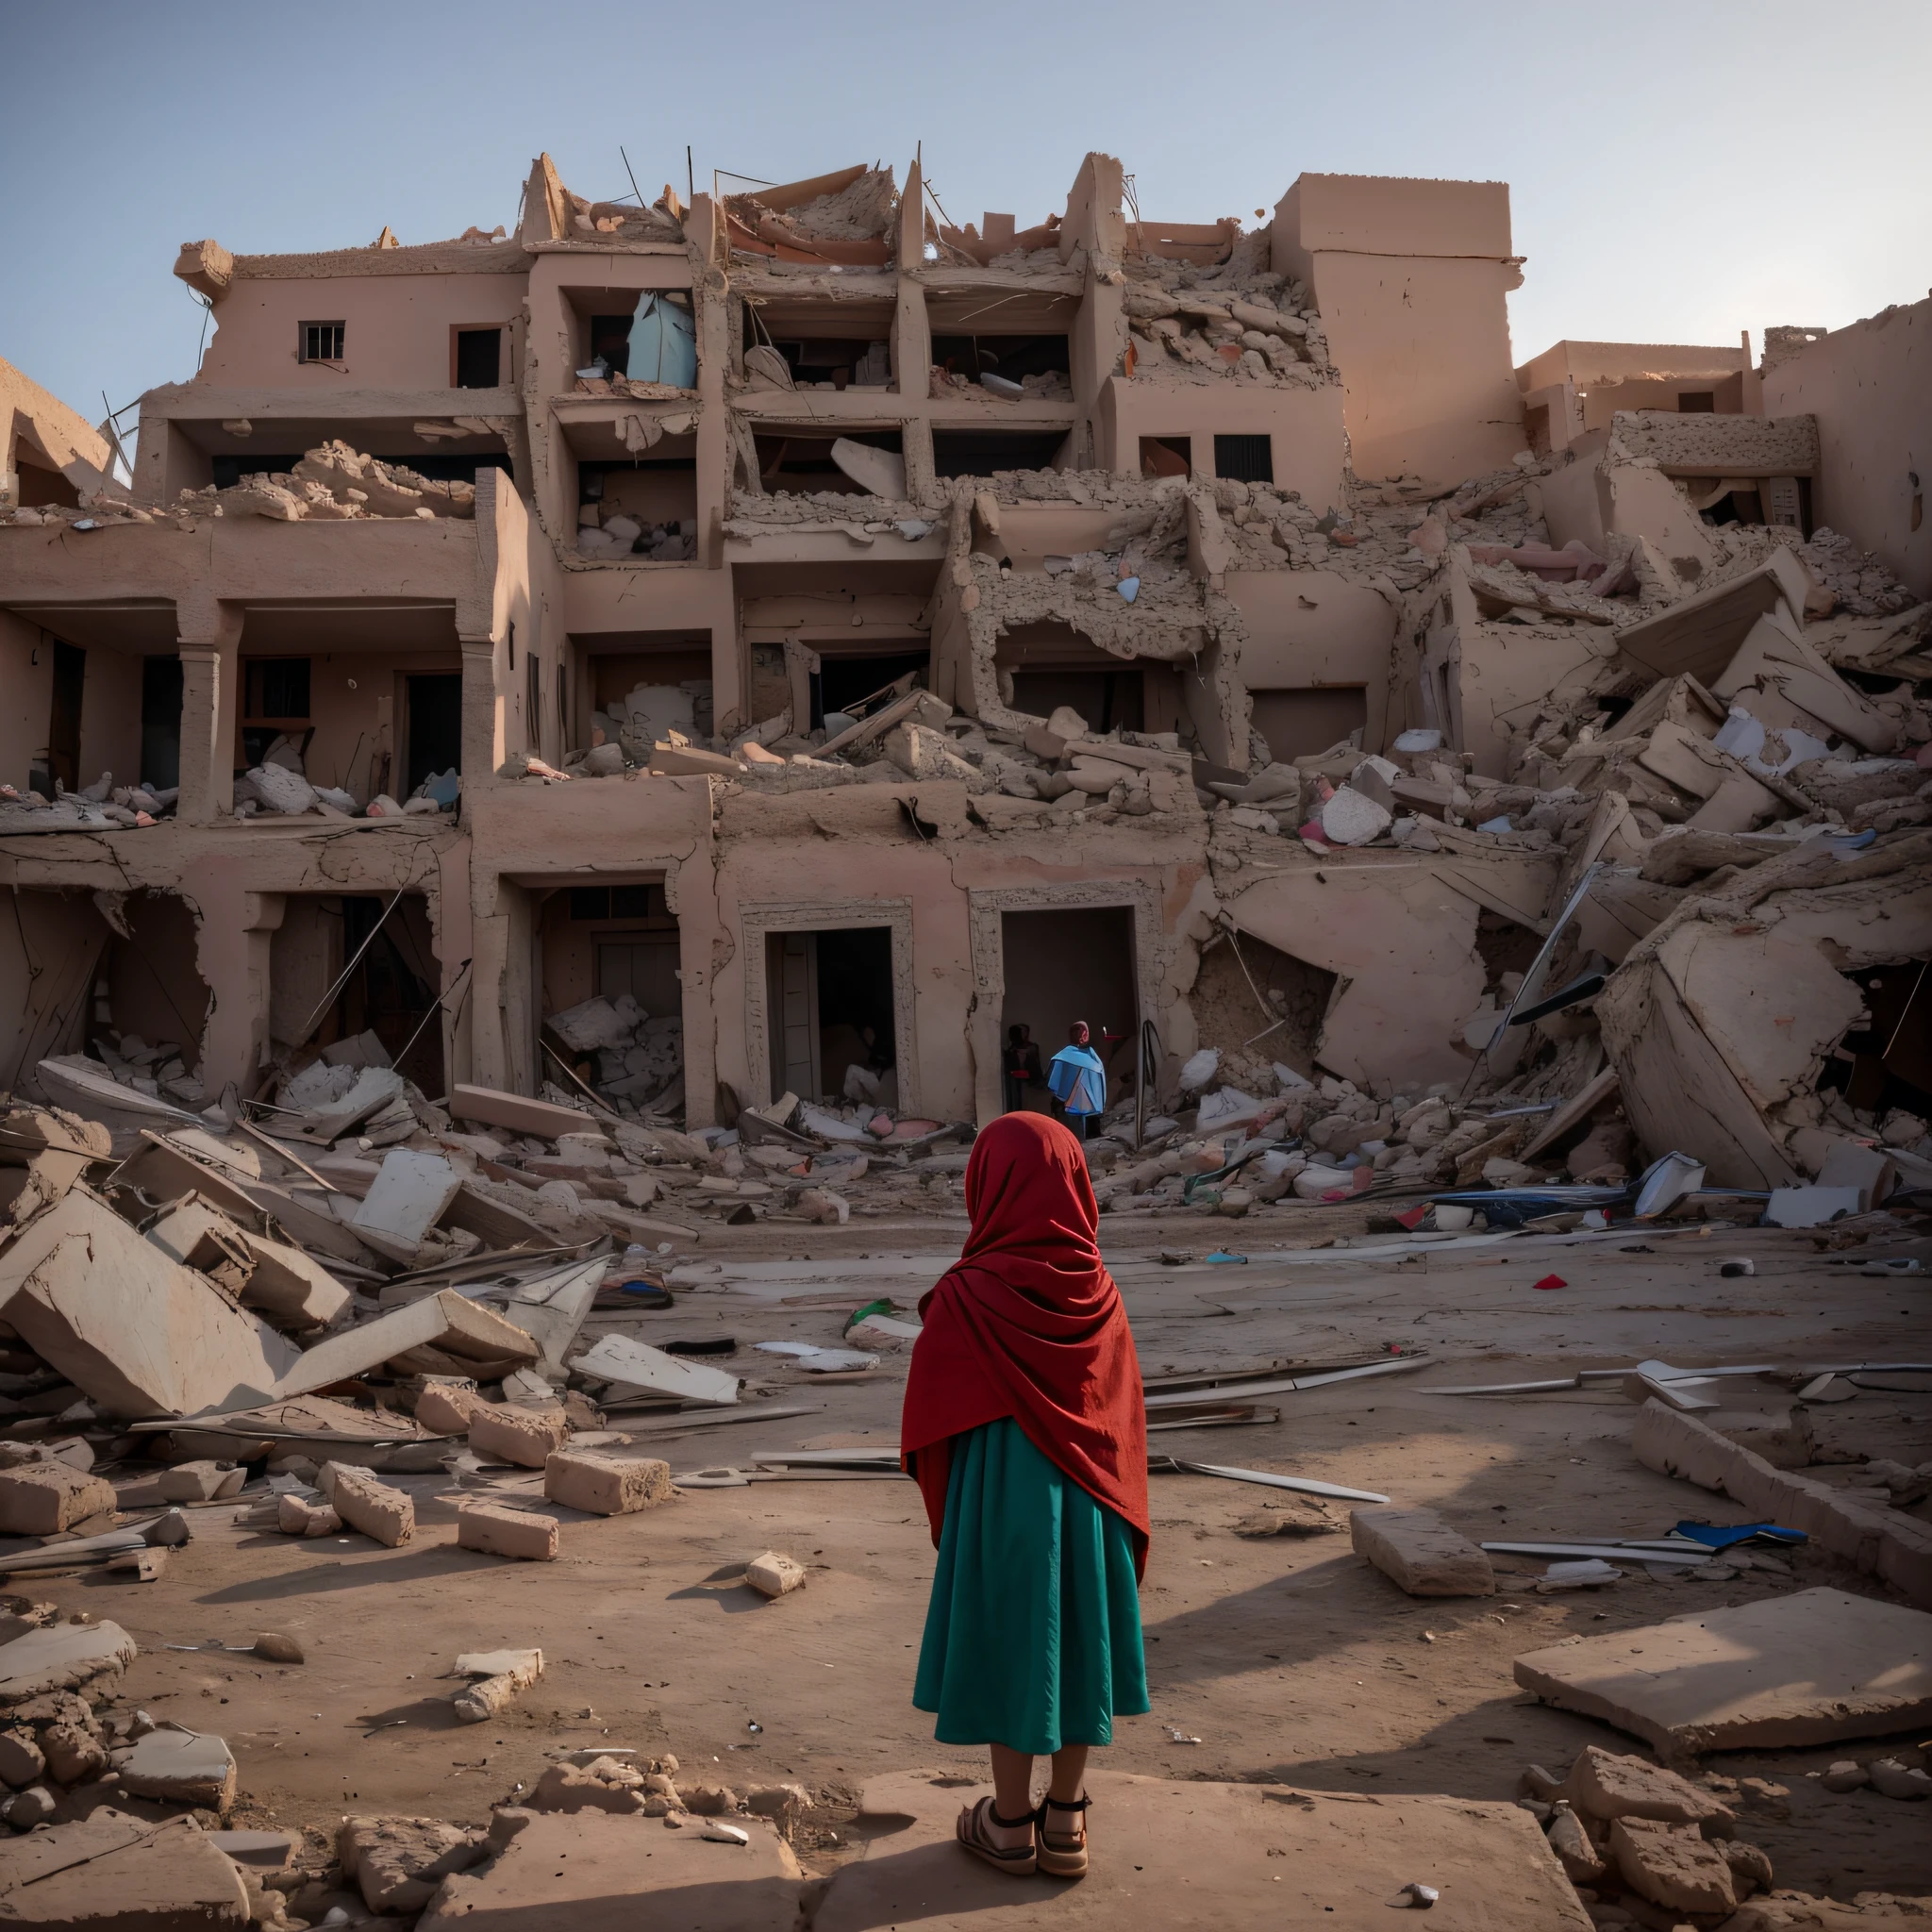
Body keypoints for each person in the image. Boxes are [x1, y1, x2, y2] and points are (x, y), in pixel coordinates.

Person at [901, 1112, 1150, 1881]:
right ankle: (1068, 1822)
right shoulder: (1100, 1295)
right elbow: (1124, 1416)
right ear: (1076, 1186)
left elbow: (928, 1422)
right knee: (1077, 1636)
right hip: (1091, 1495)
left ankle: (1008, 1823)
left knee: (1015, 1636)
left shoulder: (965, 1296)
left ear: (987, 1186)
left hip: (1000, 1496)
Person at [1046, 1020, 1107, 1141]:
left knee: (1090, 1126)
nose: (1083, 1036)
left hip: (1089, 1100)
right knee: (1073, 1130)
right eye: (1080, 1033)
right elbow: (1058, 1079)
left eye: (1085, 1033)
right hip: (1072, 1100)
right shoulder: (1064, 1056)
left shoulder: (1090, 1054)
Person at [1001, 1023, 1044, 1115]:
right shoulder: (1010, 1051)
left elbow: (1034, 1070)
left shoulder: (1031, 1049)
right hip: (1013, 1085)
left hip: (1028, 1085)